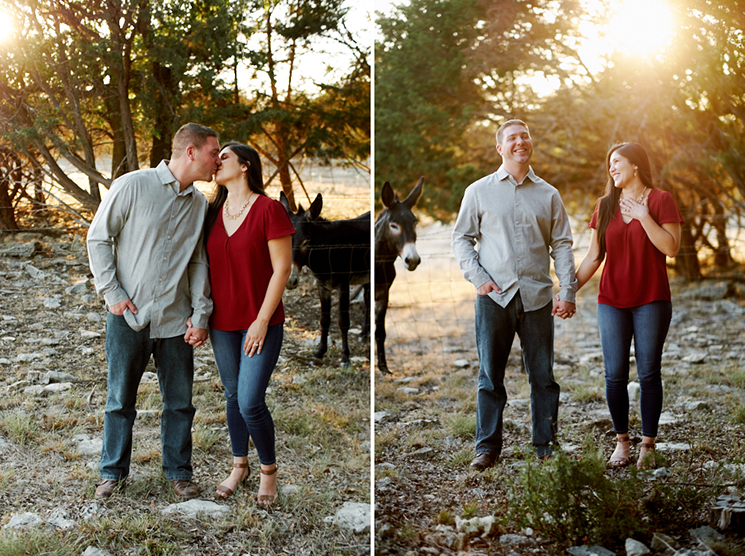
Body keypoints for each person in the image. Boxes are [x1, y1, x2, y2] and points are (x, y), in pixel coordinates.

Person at [87, 122, 220, 500]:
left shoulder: (198, 203)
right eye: (213, 152)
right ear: (191, 152)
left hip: (176, 321)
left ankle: (179, 473)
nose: (217, 161)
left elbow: (197, 261)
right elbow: (98, 237)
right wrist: (112, 293)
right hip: (128, 315)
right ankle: (112, 473)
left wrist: (200, 312)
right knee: (119, 401)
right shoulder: (132, 185)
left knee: (179, 403)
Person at [452, 119, 577, 470]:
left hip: (538, 297)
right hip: (495, 296)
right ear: (500, 148)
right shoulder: (478, 191)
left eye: (524, 136)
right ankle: (487, 448)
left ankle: (545, 446)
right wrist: (478, 278)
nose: (520, 142)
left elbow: (563, 245)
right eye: (512, 138)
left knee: (543, 377)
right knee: (490, 376)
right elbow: (461, 238)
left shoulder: (549, 194)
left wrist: (567, 291)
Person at [575, 142, 682, 469]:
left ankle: (647, 445)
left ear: (636, 165)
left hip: (651, 298)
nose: (612, 168)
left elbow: (672, 248)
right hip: (612, 300)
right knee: (614, 375)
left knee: (649, 373)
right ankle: (622, 442)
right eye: (609, 164)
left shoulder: (661, 200)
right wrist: (566, 291)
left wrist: (643, 216)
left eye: (617, 162)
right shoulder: (604, 206)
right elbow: (594, 257)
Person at [204, 142, 294, 506]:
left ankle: (268, 471)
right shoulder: (211, 211)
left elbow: (282, 268)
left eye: (223, 156)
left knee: (250, 400)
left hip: (261, 323)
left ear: (245, 166)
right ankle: (238, 465)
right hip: (221, 323)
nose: (216, 161)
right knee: (231, 395)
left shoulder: (269, 209)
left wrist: (261, 320)